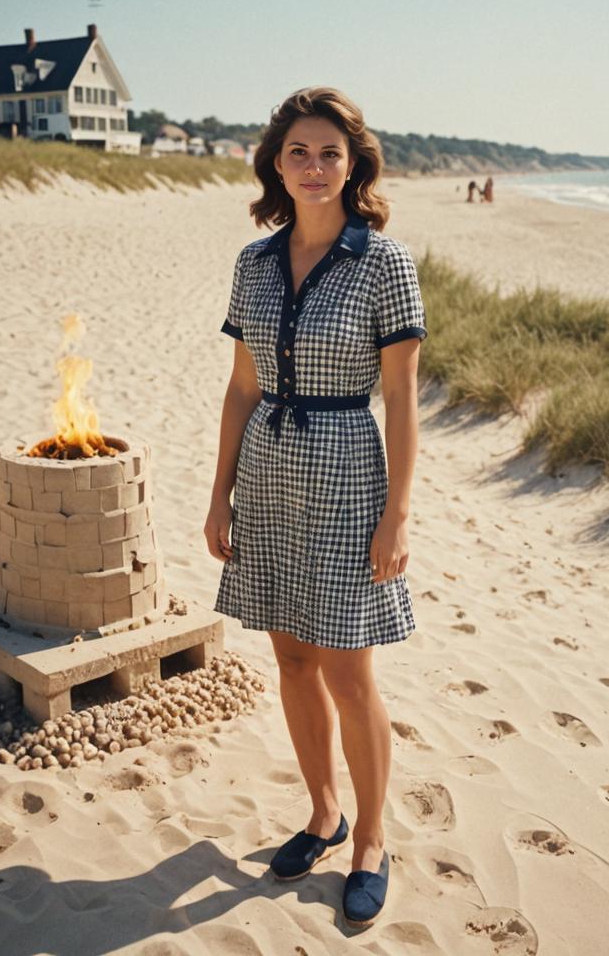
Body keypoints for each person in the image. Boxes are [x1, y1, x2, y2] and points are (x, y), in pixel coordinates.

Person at [203, 86, 427, 929]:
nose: (313, 166)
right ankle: (323, 815)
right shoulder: (252, 264)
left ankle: (371, 839)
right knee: (291, 658)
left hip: (346, 472)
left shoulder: (384, 262)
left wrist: (397, 515)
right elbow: (240, 387)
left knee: (347, 666)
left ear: (354, 163)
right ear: (275, 163)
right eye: (298, 151)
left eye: (329, 152)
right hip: (265, 472)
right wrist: (218, 493)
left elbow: (401, 400)